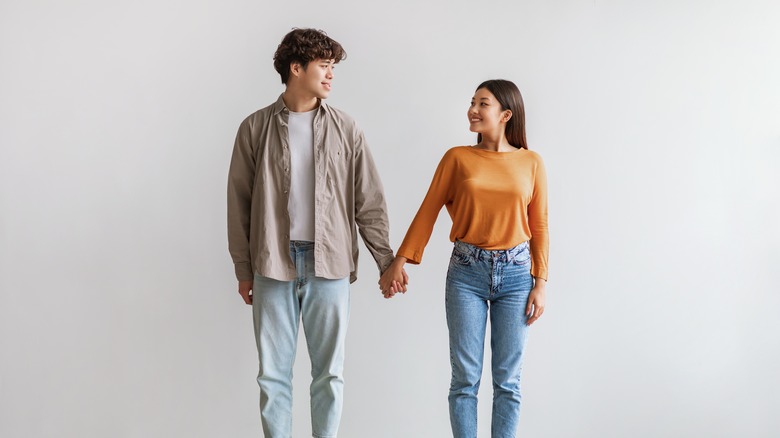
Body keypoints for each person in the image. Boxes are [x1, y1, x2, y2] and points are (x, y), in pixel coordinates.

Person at [228, 28, 406, 438]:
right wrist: (243, 268)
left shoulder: (347, 128)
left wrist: (386, 261)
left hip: (331, 263)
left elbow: (370, 202)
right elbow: (238, 204)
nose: (330, 76)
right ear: (296, 68)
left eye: (332, 68)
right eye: (323, 66)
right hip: (272, 262)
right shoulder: (255, 128)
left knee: (330, 374)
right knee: (272, 376)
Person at [380, 79, 548, 437]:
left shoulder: (531, 162)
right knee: (465, 379)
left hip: (518, 275)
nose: (472, 109)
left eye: (482, 103)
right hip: (466, 273)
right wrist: (401, 260)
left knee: (508, 381)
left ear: (506, 114)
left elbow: (540, 225)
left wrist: (541, 282)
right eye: (472, 102)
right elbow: (429, 208)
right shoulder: (457, 158)